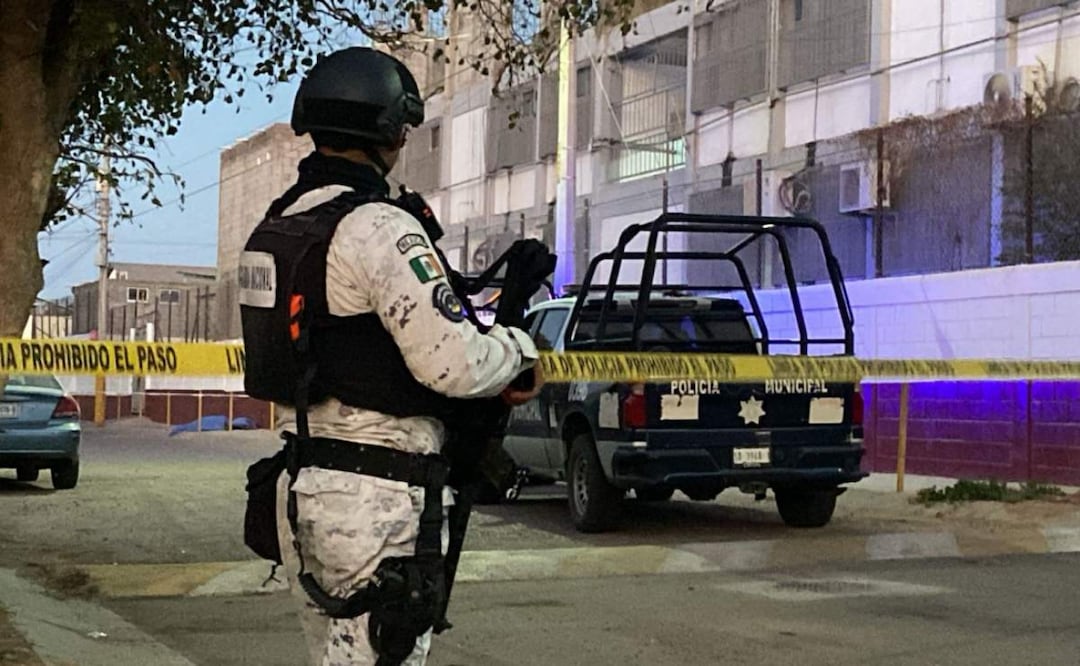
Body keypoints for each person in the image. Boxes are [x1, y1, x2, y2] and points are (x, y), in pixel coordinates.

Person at [242, 47, 543, 665]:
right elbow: (455, 363)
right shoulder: (378, 227)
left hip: (300, 489)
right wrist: (518, 350)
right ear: (389, 132)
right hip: (373, 500)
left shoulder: (278, 226)